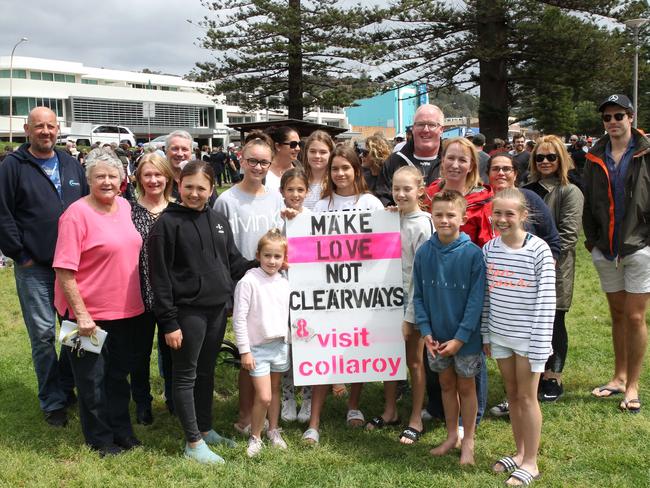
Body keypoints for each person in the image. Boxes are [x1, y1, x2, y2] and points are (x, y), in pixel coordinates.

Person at [148, 161, 252, 464]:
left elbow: (233, 263)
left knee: (206, 372)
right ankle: (193, 443)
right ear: (179, 186)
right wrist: (169, 322)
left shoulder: (218, 219)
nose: (195, 193)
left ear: (211, 189)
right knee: (186, 375)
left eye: (201, 188)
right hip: (186, 313)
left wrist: (264, 263)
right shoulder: (166, 224)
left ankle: (205, 429)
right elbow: (159, 278)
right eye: (189, 186)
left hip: (217, 310)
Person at [53, 147, 145, 456]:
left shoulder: (126, 207)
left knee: (118, 377)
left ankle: (122, 430)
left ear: (122, 178)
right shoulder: (75, 214)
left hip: (126, 310)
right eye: (99, 176)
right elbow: (64, 271)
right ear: (88, 179)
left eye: (112, 175)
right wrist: (81, 315)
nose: (107, 181)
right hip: (82, 315)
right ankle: (100, 440)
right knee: (90, 381)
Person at [0, 106, 88, 427]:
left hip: (73, 266)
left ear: (58, 128)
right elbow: (3, 214)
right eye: (39, 127)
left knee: (75, 331)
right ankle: (53, 401)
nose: (46, 132)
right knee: (42, 335)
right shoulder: (13, 166)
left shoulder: (70, 163)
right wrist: (20, 254)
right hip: (34, 267)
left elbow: (87, 206)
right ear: (27, 129)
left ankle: (67, 386)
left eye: (51, 126)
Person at [303, 144, 384, 444]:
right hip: (327, 291)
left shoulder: (371, 204)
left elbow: (381, 246)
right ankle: (314, 421)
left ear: (356, 170)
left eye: (345, 167)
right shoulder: (321, 206)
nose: (339, 173)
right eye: (335, 168)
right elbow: (310, 247)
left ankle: (353, 406)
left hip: (362, 290)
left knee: (357, 348)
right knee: (322, 350)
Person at [482, 188, 555, 486]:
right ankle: (520, 451)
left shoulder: (539, 250)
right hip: (500, 335)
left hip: (529, 340)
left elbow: (546, 302)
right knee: (512, 397)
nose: (502, 219)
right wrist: (486, 333)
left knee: (527, 398)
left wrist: (539, 344)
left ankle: (531, 462)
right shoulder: (489, 249)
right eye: (497, 213)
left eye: (509, 214)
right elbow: (486, 297)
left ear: (523, 216)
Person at [214, 132, 284, 435]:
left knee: (269, 348)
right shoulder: (226, 200)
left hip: (270, 284)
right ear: (241, 159)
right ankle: (244, 415)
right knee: (248, 352)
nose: (257, 167)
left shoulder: (276, 197)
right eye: (252, 161)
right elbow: (219, 247)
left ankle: (269, 418)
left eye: (264, 162)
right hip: (241, 286)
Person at [584, 94, 650, 414]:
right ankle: (619, 377)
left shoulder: (646, 152)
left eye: (618, 116)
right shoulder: (595, 155)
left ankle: (633, 385)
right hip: (606, 249)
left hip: (639, 246)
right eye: (607, 117)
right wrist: (594, 242)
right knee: (618, 315)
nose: (612, 122)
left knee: (636, 316)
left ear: (631, 117)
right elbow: (590, 201)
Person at [423, 136, 493, 430]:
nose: (455, 164)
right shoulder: (427, 196)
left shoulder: (483, 199)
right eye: (450, 157)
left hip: (468, 285)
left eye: (462, 159)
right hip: (434, 283)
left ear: (472, 165)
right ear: (442, 160)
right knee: (436, 348)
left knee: (468, 354)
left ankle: (471, 417)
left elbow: (489, 243)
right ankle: (439, 407)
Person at [486, 152, 561, 418]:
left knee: (526, 390)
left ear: (516, 173)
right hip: (500, 296)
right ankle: (513, 406)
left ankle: (544, 383)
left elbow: (553, 239)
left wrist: (542, 271)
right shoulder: (485, 206)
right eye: (495, 169)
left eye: (507, 168)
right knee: (514, 385)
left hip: (530, 291)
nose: (501, 173)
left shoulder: (530, 200)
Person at [414, 189, 485, 465]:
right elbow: (418, 295)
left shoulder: (473, 254)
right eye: (439, 214)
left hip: (465, 340)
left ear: (463, 217)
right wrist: (426, 331)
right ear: (431, 216)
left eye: (450, 215)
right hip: (435, 337)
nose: (444, 220)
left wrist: (460, 337)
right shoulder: (424, 253)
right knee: (445, 385)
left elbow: (476, 301)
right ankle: (450, 435)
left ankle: (468, 440)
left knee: (466, 387)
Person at [365, 166, 433, 445]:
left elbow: (421, 274)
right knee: (390, 357)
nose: (401, 194)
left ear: (420, 189)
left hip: (413, 302)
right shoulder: (389, 218)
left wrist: (410, 315)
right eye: (396, 189)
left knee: (415, 361)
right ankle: (391, 410)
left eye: (407, 189)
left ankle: (416, 417)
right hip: (386, 300)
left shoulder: (423, 224)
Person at [524, 135, 584, 402]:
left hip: (554, 268)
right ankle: (534, 376)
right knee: (531, 324)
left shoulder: (569, 191)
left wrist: (544, 262)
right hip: (523, 268)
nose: (545, 161)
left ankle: (553, 377)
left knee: (554, 321)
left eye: (551, 157)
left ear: (561, 159)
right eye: (540, 157)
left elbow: (569, 236)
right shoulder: (525, 189)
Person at [233, 229, 291, 457]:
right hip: (257, 348)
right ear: (258, 255)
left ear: (284, 259)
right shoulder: (248, 281)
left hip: (279, 345)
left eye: (277, 256)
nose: (272, 261)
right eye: (267, 255)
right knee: (264, 396)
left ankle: (273, 430)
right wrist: (244, 351)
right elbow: (239, 319)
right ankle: (255, 436)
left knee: (275, 391)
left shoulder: (284, 282)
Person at [130, 152, 176, 424]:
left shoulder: (177, 210)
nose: (153, 180)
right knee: (140, 353)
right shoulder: (128, 210)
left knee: (172, 352)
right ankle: (142, 402)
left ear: (167, 177)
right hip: (138, 292)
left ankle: (173, 399)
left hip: (171, 296)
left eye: (158, 174)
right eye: (147, 175)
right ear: (139, 178)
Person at [278, 168, 313, 423]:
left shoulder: (314, 218)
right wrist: (285, 221)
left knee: (308, 344)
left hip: (310, 293)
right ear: (282, 192)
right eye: (290, 189)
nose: (295, 194)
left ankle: (308, 397)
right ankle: (288, 397)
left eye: (300, 190)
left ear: (307, 192)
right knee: (287, 347)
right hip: (284, 292)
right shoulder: (277, 219)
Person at [375, 104, 445, 205]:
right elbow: (383, 198)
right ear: (413, 128)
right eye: (420, 124)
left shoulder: (451, 162)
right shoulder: (394, 161)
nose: (425, 130)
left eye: (431, 125)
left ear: (441, 129)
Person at [301, 130, 334, 210]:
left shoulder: (335, 182)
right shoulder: (298, 179)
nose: (317, 156)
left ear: (331, 154)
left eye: (323, 152)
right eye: (312, 151)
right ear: (306, 153)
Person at [265, 126, 301, 192]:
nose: (298, 148)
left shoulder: (301, 171)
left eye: (299, 144)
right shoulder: (262, 170)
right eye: (293, 144)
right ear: (278, 146)